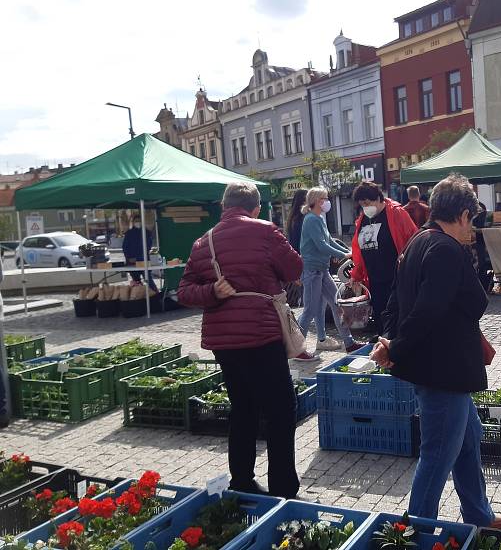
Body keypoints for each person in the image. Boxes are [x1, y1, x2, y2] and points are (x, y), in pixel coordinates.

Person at [371, 174, 501, 530]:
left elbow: (395, 302)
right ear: (464, 214)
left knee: (468, 440)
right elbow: (429, 310)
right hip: (443, 371)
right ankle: (414, 532)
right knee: (437, 455)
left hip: (436, 366)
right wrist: (397, 348)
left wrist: (390, 342)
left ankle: (479, 515)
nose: (474, 229)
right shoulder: (447, 250)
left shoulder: (419, 240)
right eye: (475, 220)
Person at [177, 181, 302, 498]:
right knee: (280, 410)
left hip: (224, 342)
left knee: (243, 407)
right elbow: (294, 268)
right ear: (256, 208)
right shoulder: (265, 230)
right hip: (262, 334)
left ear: (223, 207)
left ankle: (242, 481)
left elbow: (184, 292)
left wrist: (211, 292)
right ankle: (284, 489)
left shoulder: (203, 243)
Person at [297, 187, 361, 358]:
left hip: (322, 270)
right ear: (318, 201)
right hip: (312, 270)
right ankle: (297, 349)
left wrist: (348, 251)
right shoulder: (311, 219)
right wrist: (344, 254)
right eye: (325, 198)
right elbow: (321, 245)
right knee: (310, 310)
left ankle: (349, 343)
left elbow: (330, 240)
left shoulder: (319, 218)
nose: (327, 202)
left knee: (337, 303)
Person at [350, 181, 418, 335]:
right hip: (374, 280)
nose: (365, 207)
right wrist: (356, 274)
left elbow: (414, 240)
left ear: (378, 198)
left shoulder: (396, 213)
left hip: (396, 279)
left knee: (398, 319)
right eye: (362, 204)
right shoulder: (363, 219)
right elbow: (360, 250)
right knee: (381, 318)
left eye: (367, 202)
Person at [122, 214, 156, 290]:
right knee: (136, 283)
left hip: (144, 261)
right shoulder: (129, 233)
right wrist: (129, 258)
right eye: (136, 221)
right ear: (133, 222)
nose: (138, 222)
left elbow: (148, 246)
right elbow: (125, 247)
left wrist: (141, 257)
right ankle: (140, 297)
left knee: (149, 281)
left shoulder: (146, 232)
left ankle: (155, 295)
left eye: (139, 221)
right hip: (132, 262)